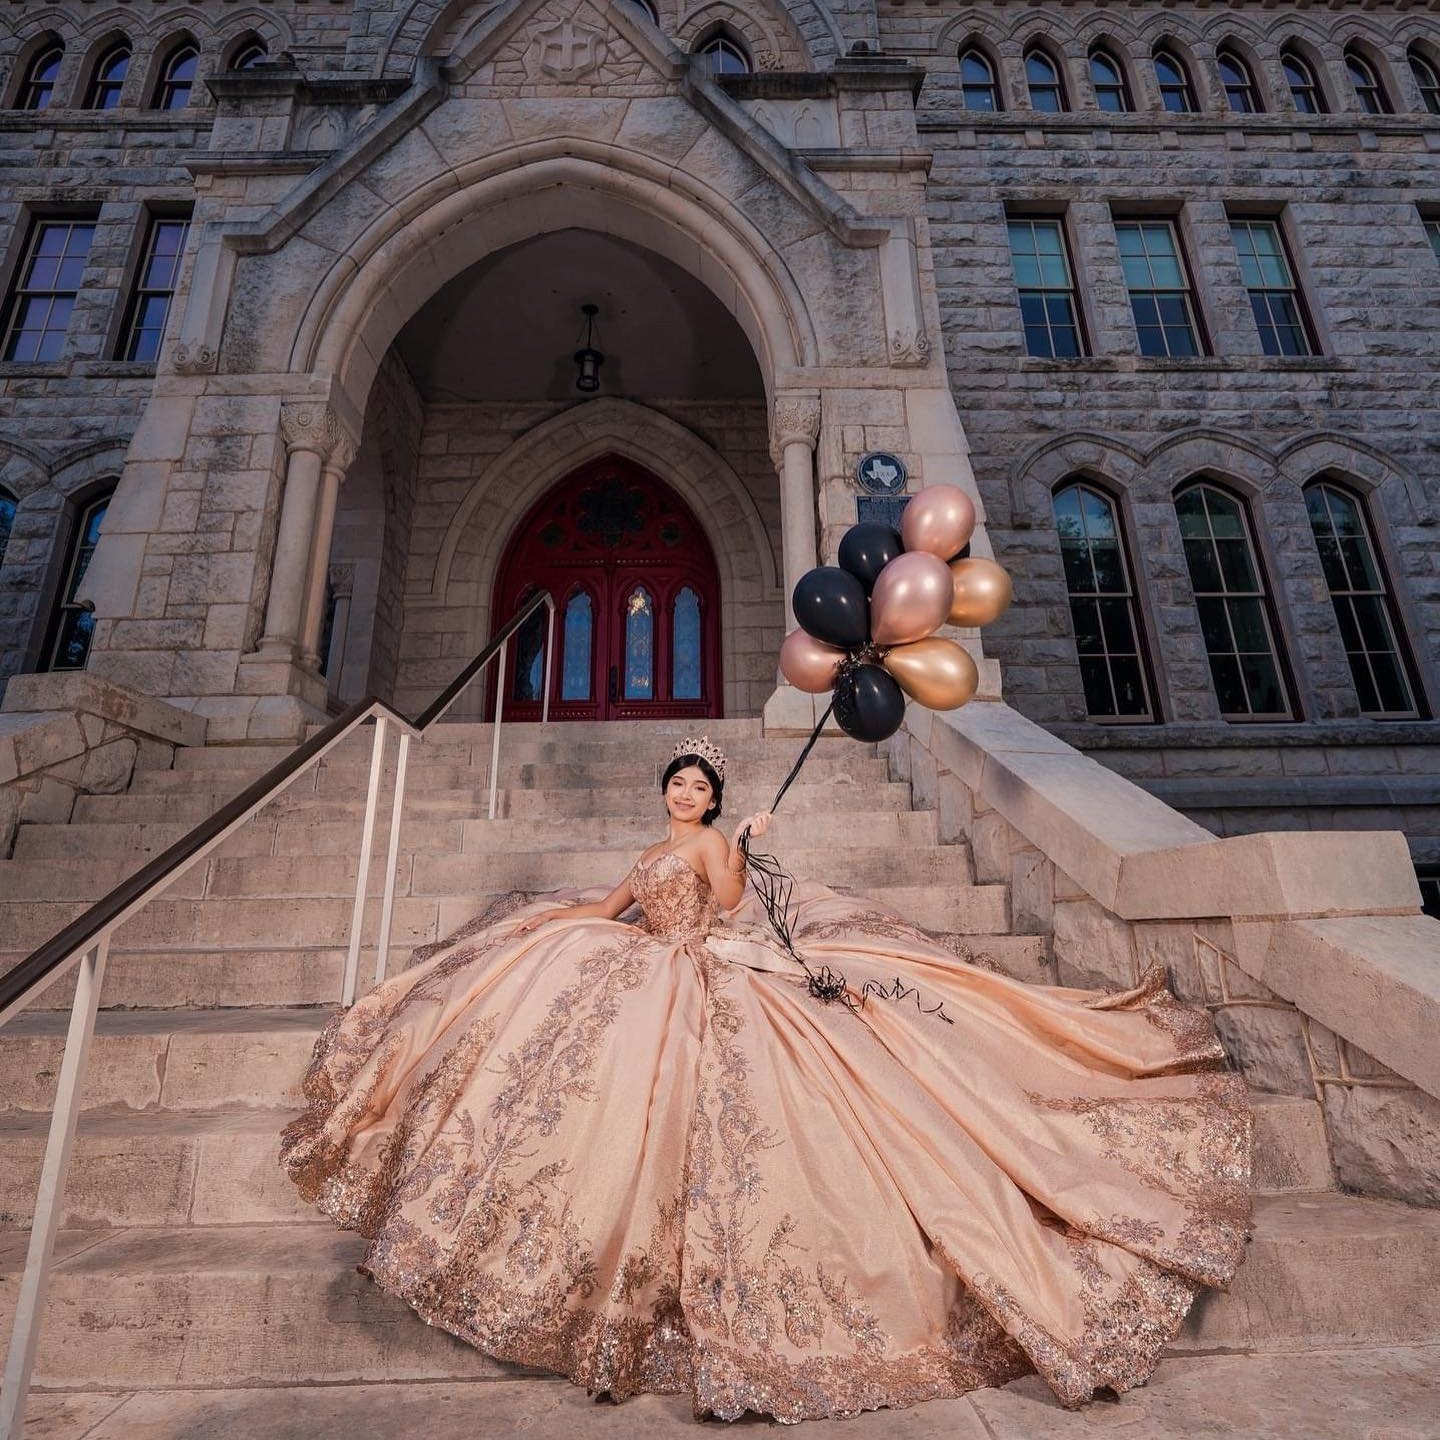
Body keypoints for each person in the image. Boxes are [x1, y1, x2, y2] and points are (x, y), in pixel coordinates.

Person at [280, 735, 1251, 1424]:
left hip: (708, 974)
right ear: (665, 793)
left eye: (701, 787)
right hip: (642, 969)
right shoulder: (651, 849)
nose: (688, 796)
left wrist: (743, 841)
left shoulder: (711, 846)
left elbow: (736, 908)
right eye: (681, 785)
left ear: (713, 799)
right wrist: (548, 935)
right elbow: (611, 911)